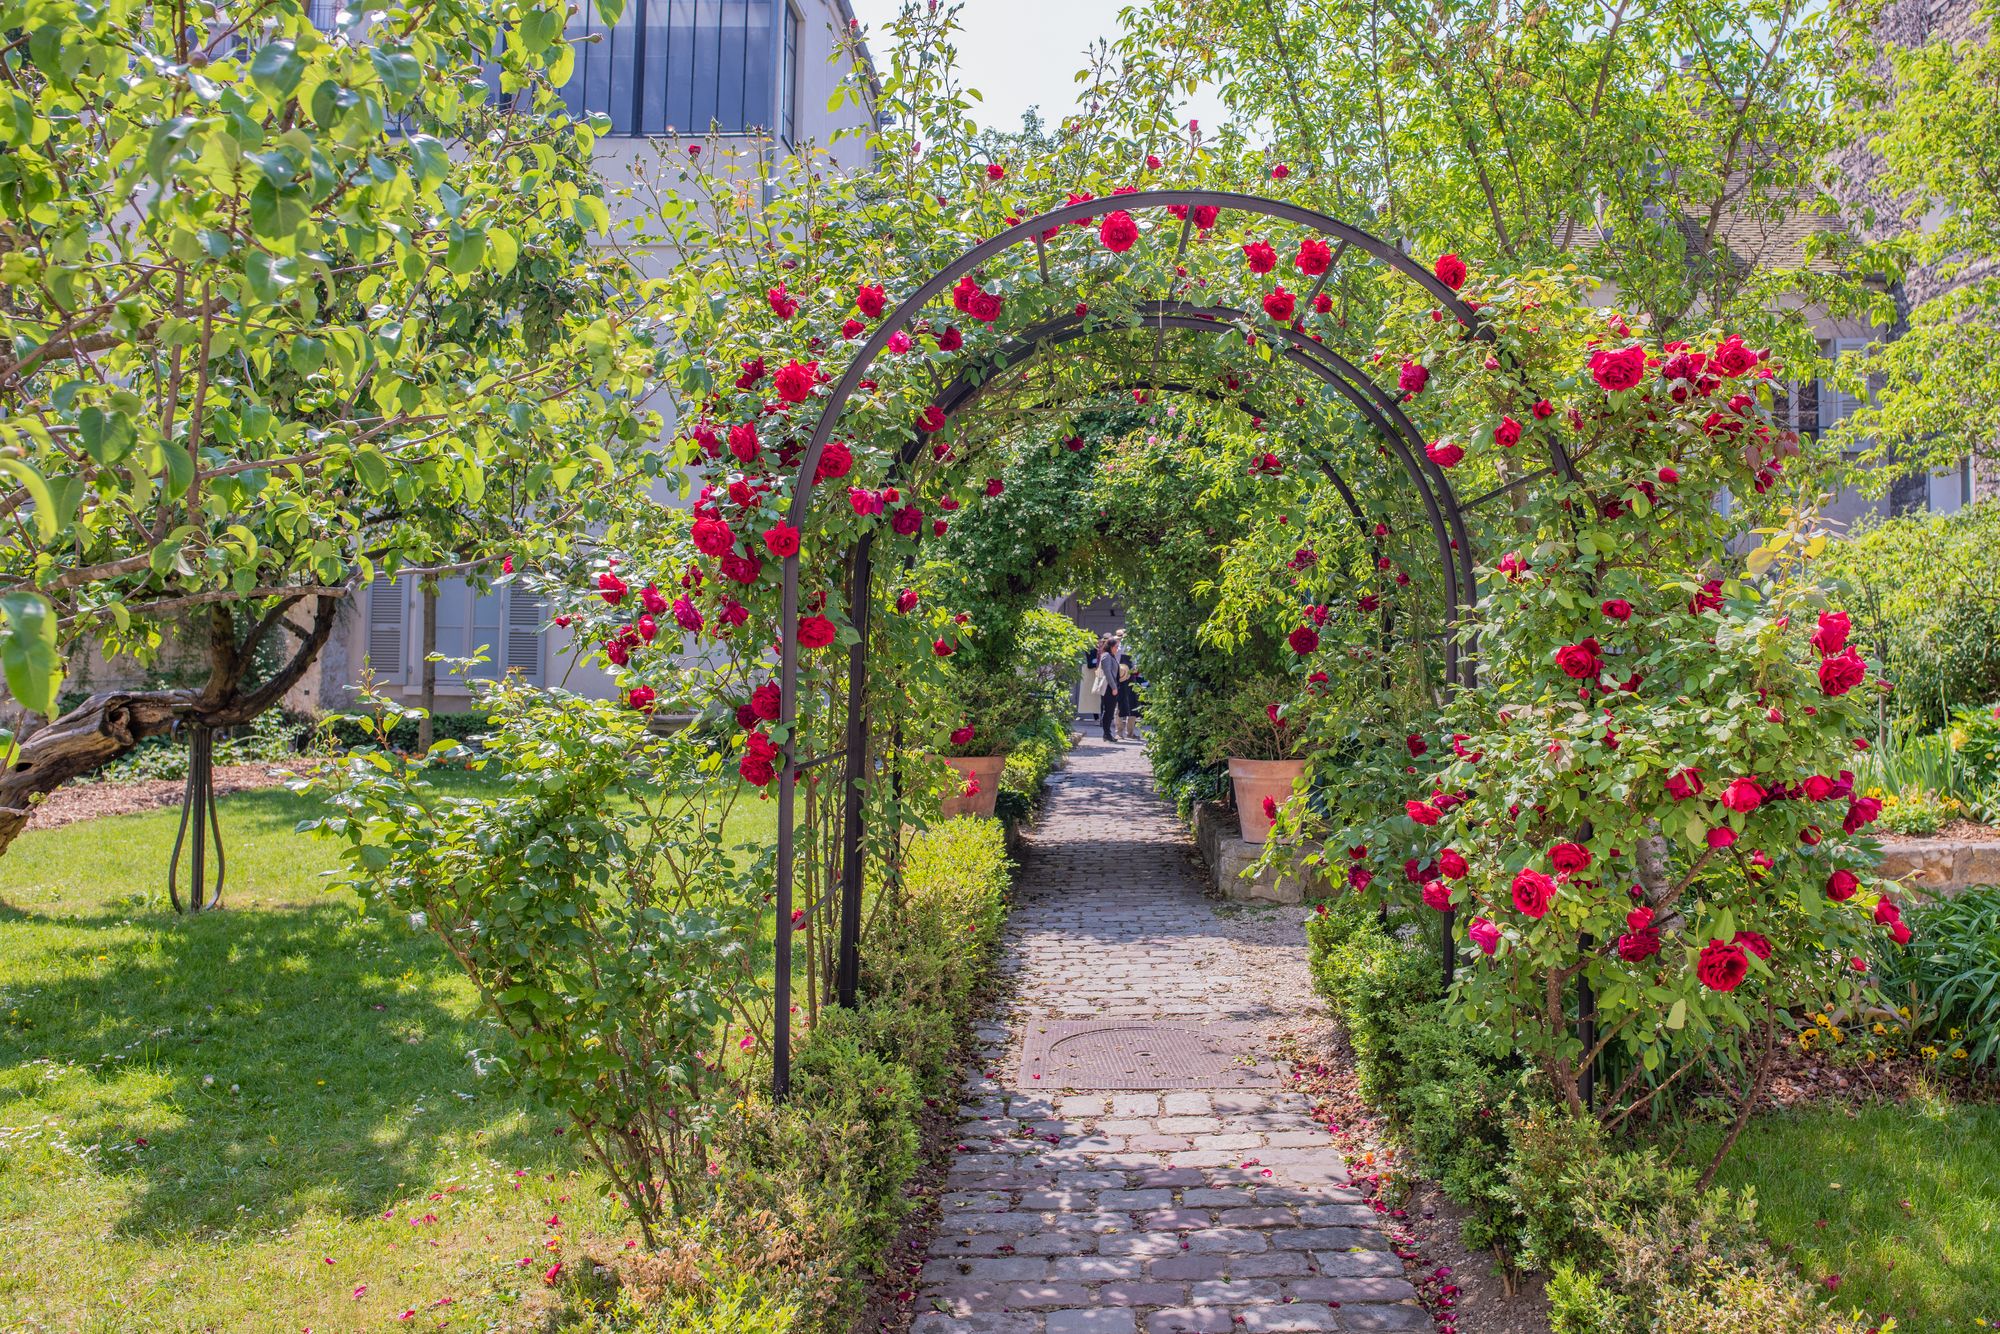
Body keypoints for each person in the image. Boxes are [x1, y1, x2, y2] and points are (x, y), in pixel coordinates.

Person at [1091, 634, 1120, 741]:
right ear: (1111, 647)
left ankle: (1107, 734)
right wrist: (1114, 687)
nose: (1117, 649)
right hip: (1109, 687)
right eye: (1116, 646)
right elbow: (1107, 672)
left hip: (1112, 686)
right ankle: (1106, 734)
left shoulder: (1111, 656)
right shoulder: (1106, 656)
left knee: (1110, 710)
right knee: (1108, 711)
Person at [1116, 649, 1143, 740]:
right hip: (1121, 679)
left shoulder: (1134, 649)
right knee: (1119, 706)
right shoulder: (1118, 649)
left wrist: (1136, 668)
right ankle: (1119, 732)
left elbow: (1137, 669)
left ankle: (1130, 732)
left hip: (1131, 679)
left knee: (1133, 705)